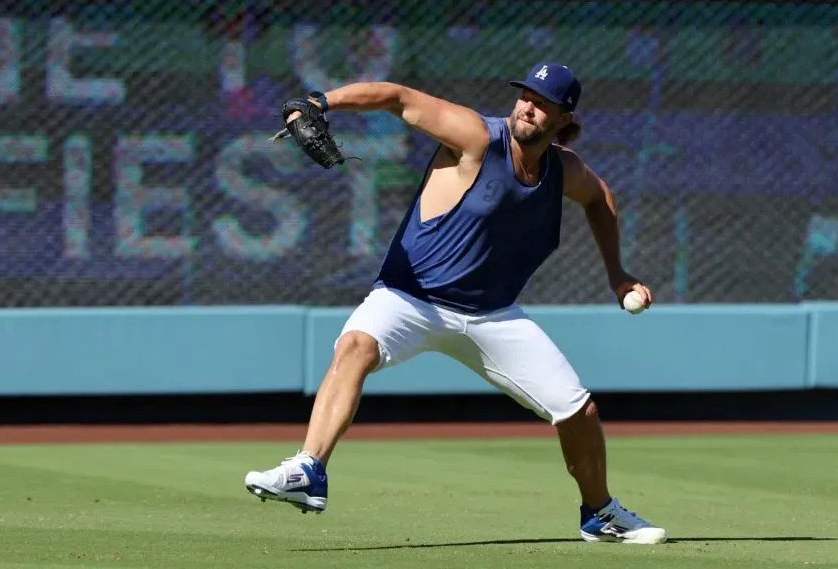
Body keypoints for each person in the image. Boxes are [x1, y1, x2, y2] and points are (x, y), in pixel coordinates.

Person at [244, 62, 667, 545]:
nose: (528, 106)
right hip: (411, 298)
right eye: (525, 95)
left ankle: (600, 514)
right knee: (355, 345)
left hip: (492, 313)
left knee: (580, 413)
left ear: (563, 117)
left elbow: (599, 197)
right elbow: (398, 98)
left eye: (543, 102)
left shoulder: (561, 169)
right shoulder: (476, 138)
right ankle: (309, 469)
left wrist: (618, 273)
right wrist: (320, 102)